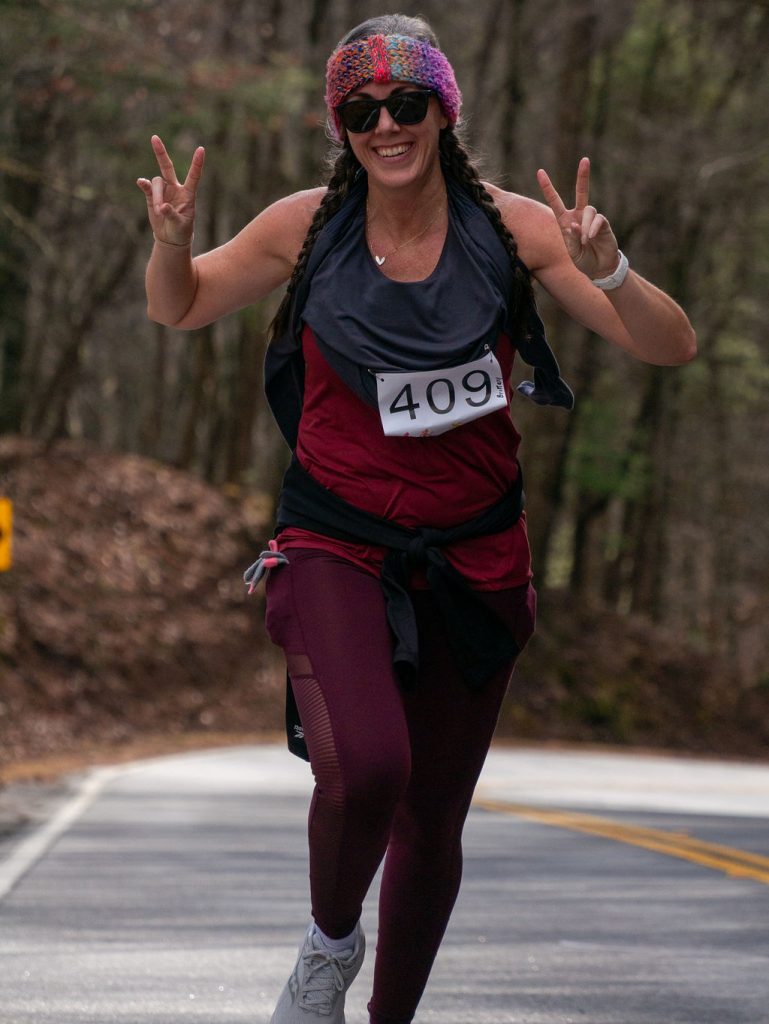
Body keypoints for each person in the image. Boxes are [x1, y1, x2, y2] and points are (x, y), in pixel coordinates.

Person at [137, 13, 696, 1024]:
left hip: (474, 554)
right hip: (335, 537)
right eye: (360, 112)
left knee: (432, 820)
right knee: (368, 769)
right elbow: (177, 306)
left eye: (405, 104)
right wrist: (172, 248)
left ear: (442, 110)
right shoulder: (306, 226)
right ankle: (328, 948)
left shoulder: (515, 229)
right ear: (340, 127)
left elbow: (669, 346)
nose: (385, 126)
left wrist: (609, 269)